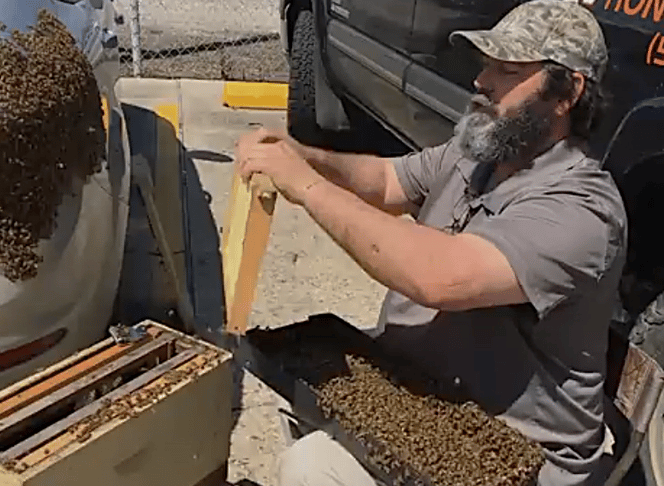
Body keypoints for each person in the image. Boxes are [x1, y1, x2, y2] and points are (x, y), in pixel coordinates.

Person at [235, 1, 626, 485]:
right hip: (429, 404)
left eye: (506, 70)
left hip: (518, 459)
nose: (481, 81)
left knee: (311, 467)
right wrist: (306, 157)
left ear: (566, 94)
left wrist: (306, 186)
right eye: (486, 64)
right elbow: (385, 180)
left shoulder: (580, 211)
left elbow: (438, 278)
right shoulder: (479, 152)